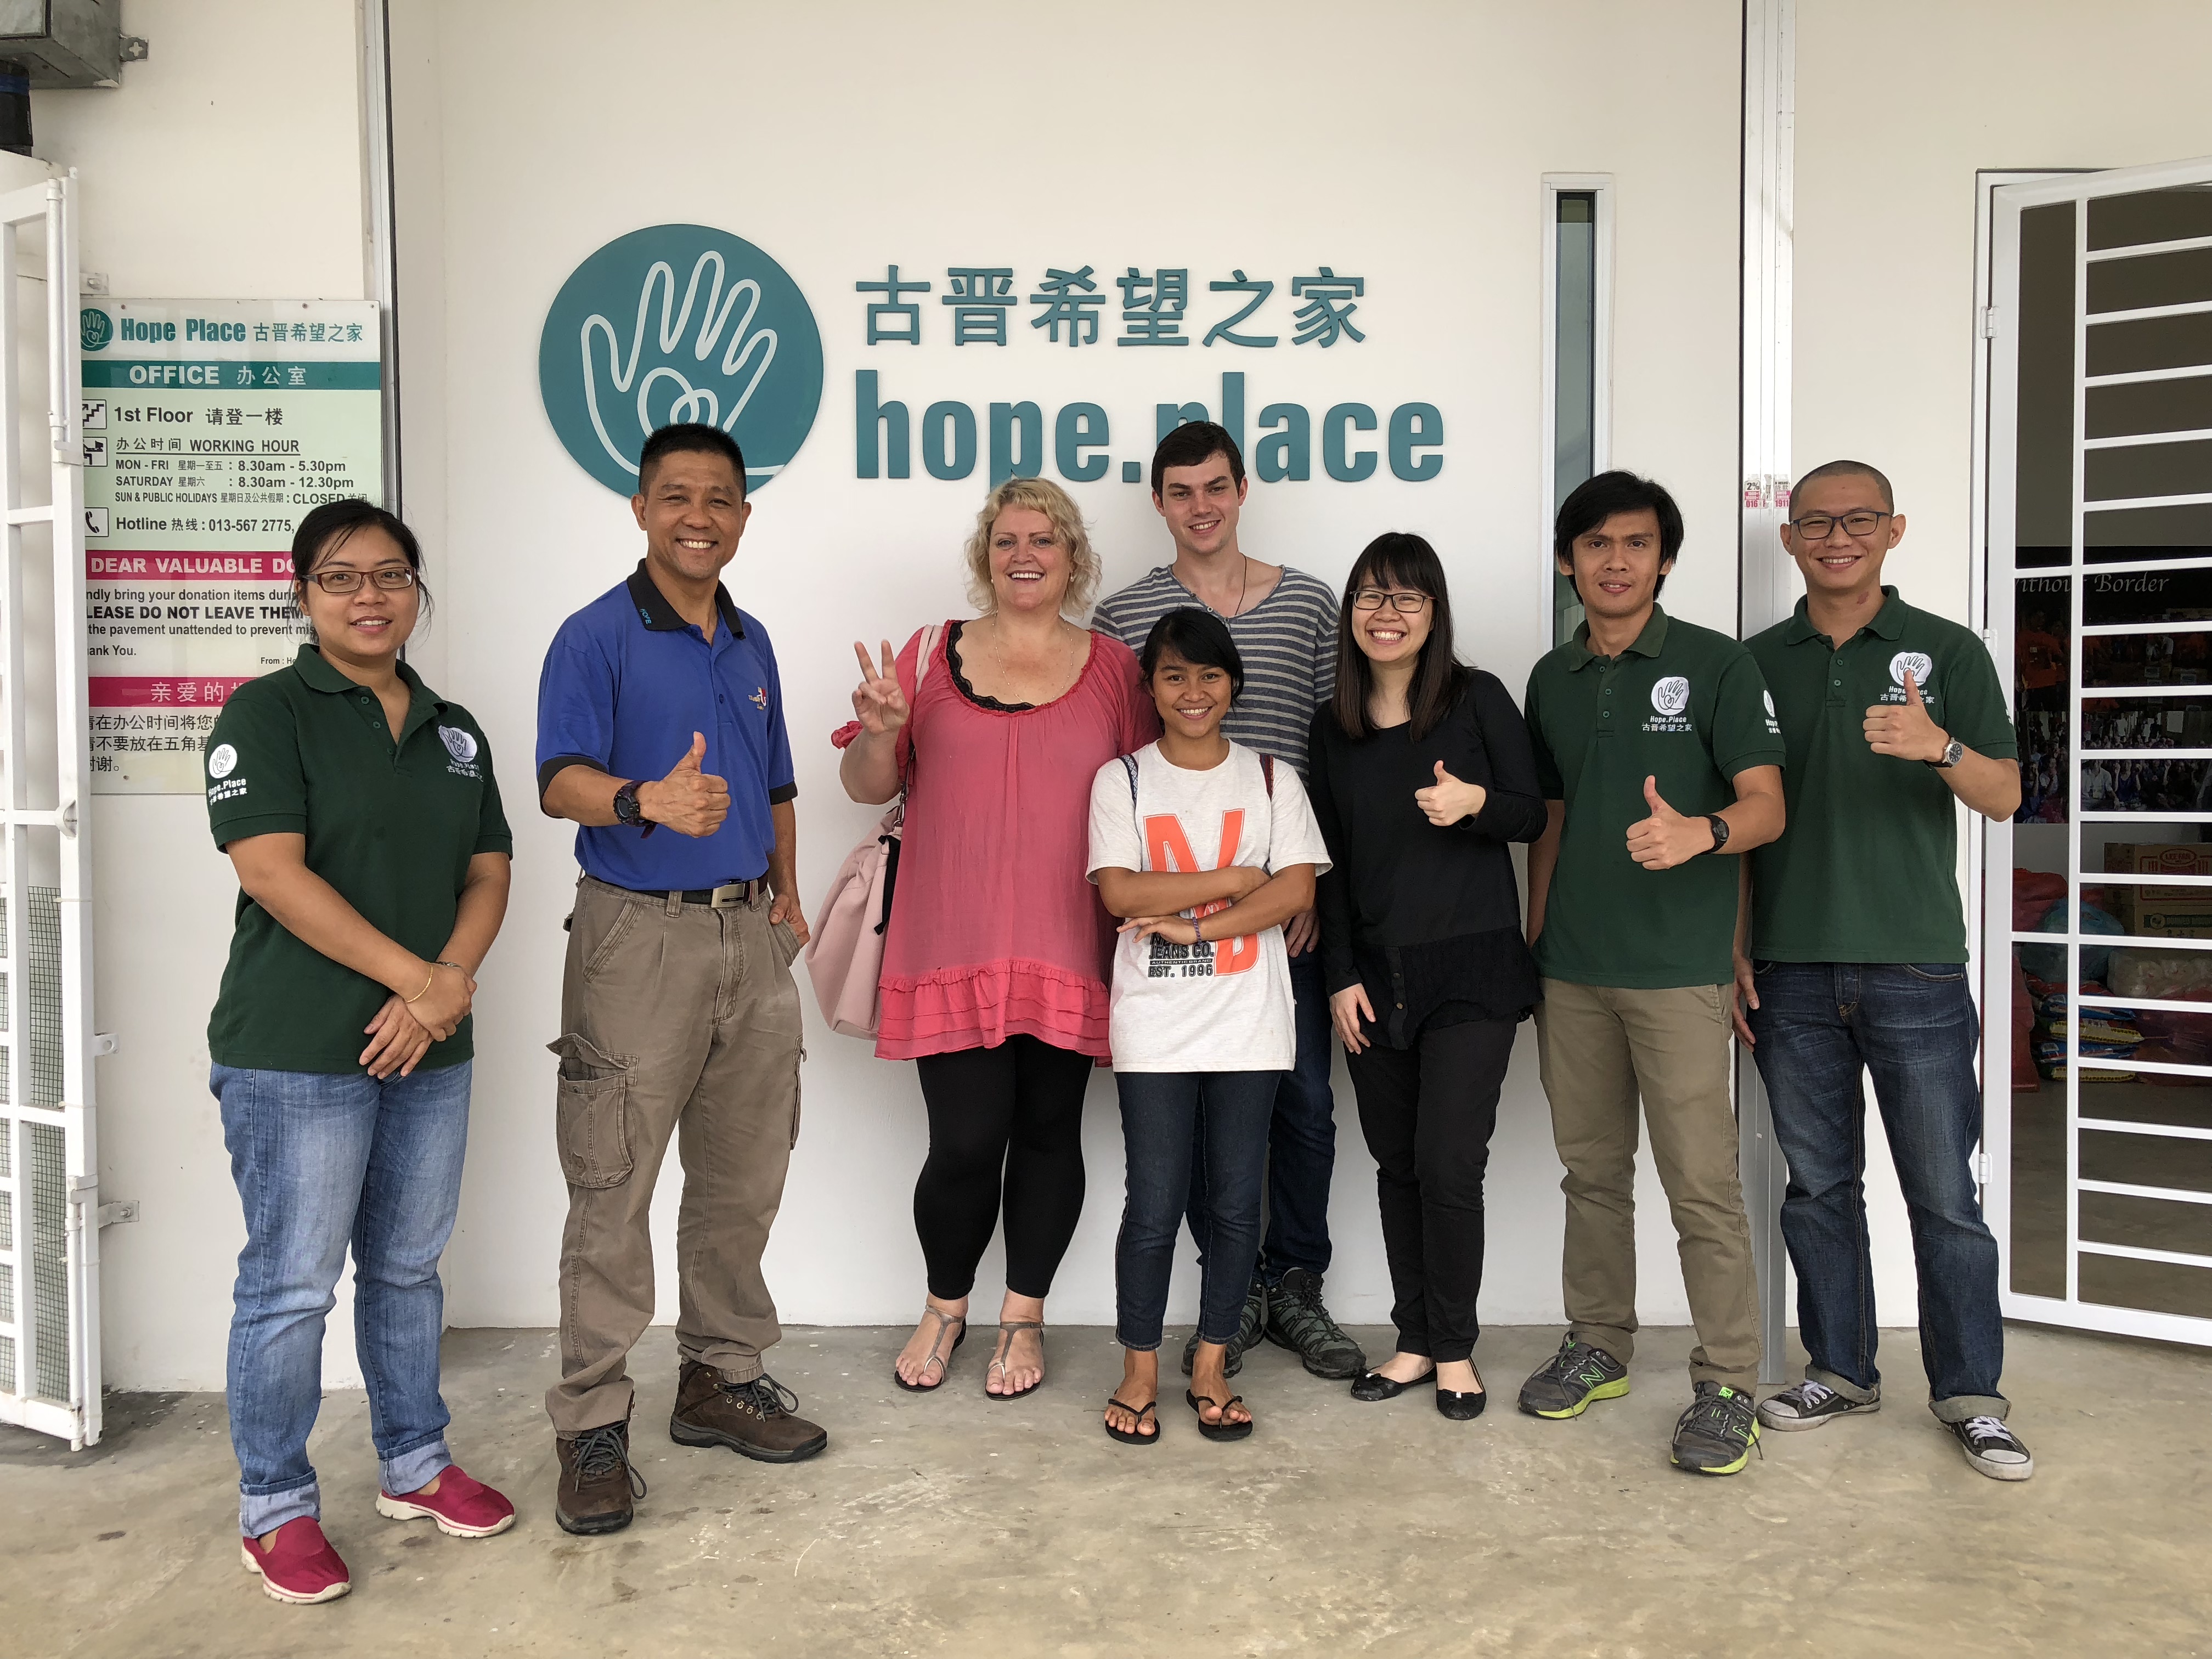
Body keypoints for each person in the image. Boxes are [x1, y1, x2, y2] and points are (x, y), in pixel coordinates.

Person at [206, 499, 515, 1605]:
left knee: (407, 1269)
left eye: (391, 575)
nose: (369, 596)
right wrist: (418, 981)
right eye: (340, 578)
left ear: (416, 592)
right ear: (304, 595)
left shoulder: (453, 728)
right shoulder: (266, 712)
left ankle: (415, 1462)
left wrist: (446, 988)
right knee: (291, 1287)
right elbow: (271, 871)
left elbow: (489, 871)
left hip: (432, 1050)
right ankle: (275, 1508)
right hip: (296, 1052)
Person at [536, 422, 821, 1537]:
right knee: (613, 1183)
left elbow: (779, 786)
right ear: (642, 509)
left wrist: (785, 892)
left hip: (750, 933)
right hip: (637, 939)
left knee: (743, 1175)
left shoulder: (751, 643)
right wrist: (642, 799)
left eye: (719, 499)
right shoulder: (594, 635)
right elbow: (558, 781)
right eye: (677, 497)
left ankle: (719, 1376)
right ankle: (591, 1424)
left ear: (744, 515)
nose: (699, 517)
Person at [1735, 460, 2033, 1480]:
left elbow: (2005, 795)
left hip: (1917, 967)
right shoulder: (1755, 663)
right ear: (1788, 538)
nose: (1838, 538)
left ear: (1894, 531)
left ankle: (1972, 1395)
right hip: (1791, 969)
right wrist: (1736, 945)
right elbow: (1744, 818)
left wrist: (1938, 744)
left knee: (1945, 1197)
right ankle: (1842, 1369)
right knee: (1819, 1188)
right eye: (1817, 523)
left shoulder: (1947, 650)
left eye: (1860, 519)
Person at [841, 475, 1158, 1401]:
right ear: (986, 556)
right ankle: (946, 1304)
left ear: (1073, 557)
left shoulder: (1115, 669)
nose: (1025, 554)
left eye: (1044, 539)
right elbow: (867, 786)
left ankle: (1024, 1315)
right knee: (966, 1142)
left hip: (1070, 939)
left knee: (1051, 1135)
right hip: (952, 940)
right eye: (1007, 539)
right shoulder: (926, 656)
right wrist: (880, 734)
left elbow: (1151, 791)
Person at [1517, 470, 1787, 1476]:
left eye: (1637, 543)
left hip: (1678, 971)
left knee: (1702, 1186)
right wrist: (1537, 936)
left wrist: (1700, 834)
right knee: (1592, 1175)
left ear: (1665, 559)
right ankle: (1600, 1344)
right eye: (1596, 544)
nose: (1616, 561)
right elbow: (1550, 819)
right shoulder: (1551, 677)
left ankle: (1728, 1385)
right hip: (1574, 971)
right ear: (1568, 561)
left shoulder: (1716, 665)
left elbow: (1767, 807)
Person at [1092, 422, 1364, 1384]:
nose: (1200, 506)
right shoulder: (1124, 614)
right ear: (1158, 503)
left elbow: (1336, 747)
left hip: (1294, 892)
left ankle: (1296, 1284)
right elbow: (1121, 759)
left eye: (1215, 486)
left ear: (1242, 489)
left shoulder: (1310, 603)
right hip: (1185, 908)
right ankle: (1232, 1291)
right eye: (1181, 491)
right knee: (1199, 1129)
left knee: (1304, 1105)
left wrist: (1310, 885)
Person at [1309, 534, 1548, 1421]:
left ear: (1434, 612)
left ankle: (1454, 1348)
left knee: (1449, 1164)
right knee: (1398, 1164)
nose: (1387, 614)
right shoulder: (1332, 727)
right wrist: (1338, 976)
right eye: (1371, 596)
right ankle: (1413, 1341)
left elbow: (1532, 814)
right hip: (1374, 980)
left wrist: (1475, 803)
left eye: (1407, 597)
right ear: (1351, 613)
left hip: (1473, 970)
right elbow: (1326, 863)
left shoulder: (1477, 699)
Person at [1089, 609, 1329, 1444]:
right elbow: (1120, 892)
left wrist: (1194, 927)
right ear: (1150, 688)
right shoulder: (1122, 780)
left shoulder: (1271, 779)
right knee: (1153, 1205)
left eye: (1209, 675)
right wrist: (1232, 878)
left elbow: (1296, 890)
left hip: (1249, 1020)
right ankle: (1139, 1367)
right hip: (1153, 1023)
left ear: (1234, 685)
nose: (1193, 692)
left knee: (1234, 1207)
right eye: (1174, 676)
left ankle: (1212, 1364)